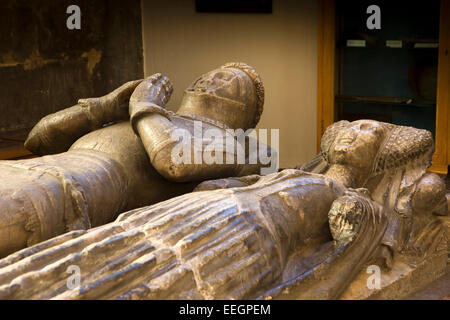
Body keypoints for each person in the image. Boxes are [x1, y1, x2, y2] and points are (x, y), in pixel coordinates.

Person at [0, 120, 445, 299]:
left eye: (369, 132)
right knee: (101, 247)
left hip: (241, 239)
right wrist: (217, 186)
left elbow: (343, 253)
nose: (354, 133)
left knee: (157, 283)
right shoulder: (293, 171)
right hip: (198, 212)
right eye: (354, 125)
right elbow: (233, 180)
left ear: (382, 158)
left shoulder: (361, 206)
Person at [0, 63, 270, 258]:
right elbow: (36, 141)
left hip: (78, 186)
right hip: (42, 165)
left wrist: (143, 106)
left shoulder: (227, 143)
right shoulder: (155, 117)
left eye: (227, 79)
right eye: (210, 72)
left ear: (242, 110)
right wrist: (102, 108)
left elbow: (171, 161)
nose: (209, 78)